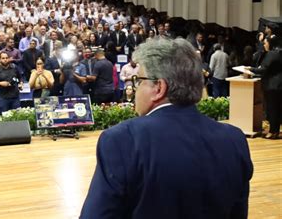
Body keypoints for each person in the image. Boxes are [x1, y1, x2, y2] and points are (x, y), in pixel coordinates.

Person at [81, 38, 253, 218]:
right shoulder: (234, 139)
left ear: (159, 88)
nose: (136, 88)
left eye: (138, 80)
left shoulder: (122, 139)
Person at [246, 37, 282, 139]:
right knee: (277, 109)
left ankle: (273, 131)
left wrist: (250, 69)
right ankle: (275, 130)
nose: (264, 45)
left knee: (272, 109)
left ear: (270, 44)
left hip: (272, 85)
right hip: (278, 85)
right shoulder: (279, 52)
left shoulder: (271, 54)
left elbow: (264, 69)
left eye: (265, 43)